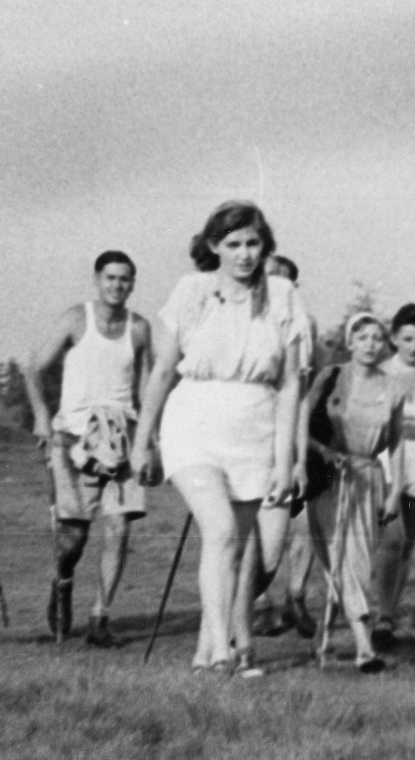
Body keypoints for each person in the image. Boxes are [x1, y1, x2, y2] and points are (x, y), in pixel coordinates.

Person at [130, 201, 309, 676]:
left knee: (242, 548)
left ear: (264, 246)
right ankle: (223, 650)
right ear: (214, 245)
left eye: (253, 243)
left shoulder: (283, 295)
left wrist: (284, 461)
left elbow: (291, 384)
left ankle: (207, 651)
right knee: (221, 529)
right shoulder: (191, 290)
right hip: (194, 423)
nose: (244, 254)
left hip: (256, 428)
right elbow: (163, 370)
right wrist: (142, 440)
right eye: (233, 244)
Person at [24, 250, 153, 647]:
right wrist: (41, 415)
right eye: (110, 278)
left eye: (124, 279)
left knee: (118, 530)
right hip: (74, 442)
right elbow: (33, 367)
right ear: (97, 280)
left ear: (132, 284)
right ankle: (62, 581)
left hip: (121, 442)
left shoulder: (139, 328)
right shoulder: (75, 319)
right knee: (74, 538)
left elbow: (147, 387)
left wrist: (148, 439)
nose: (117, 285)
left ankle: (100, 617)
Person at [301, 312, 404, 673]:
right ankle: (364, 647)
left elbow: (397, 443)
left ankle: (326, 634)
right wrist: (323, 451)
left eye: (377, 338)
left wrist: (395, 490)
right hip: (330, 476)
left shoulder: (393, 387)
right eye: (363, 338)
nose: (370, 345)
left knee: (355, 559)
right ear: (350, 341)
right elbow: (299, 424)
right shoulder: (331, 376)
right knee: (341, 557)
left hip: (369, 477)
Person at [249, 254, 318, 639]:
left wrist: (300, 458)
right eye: (270, 275)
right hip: (245, 437)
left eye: (285, 279)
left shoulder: (303, 326)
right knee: (248, 532)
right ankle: (254, 607)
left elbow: (302, 396)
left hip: (285, 440)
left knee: (298, 529)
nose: (276, 283)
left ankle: (295, 597)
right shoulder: (241, 318)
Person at [370, 302, 415, 650]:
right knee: (391, 539)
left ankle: (388, 613)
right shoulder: (380, 372)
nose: (414, 346)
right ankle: (380, 617)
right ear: (394, 338)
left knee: (406, 545)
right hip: (387, 460)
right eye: (407, 339)